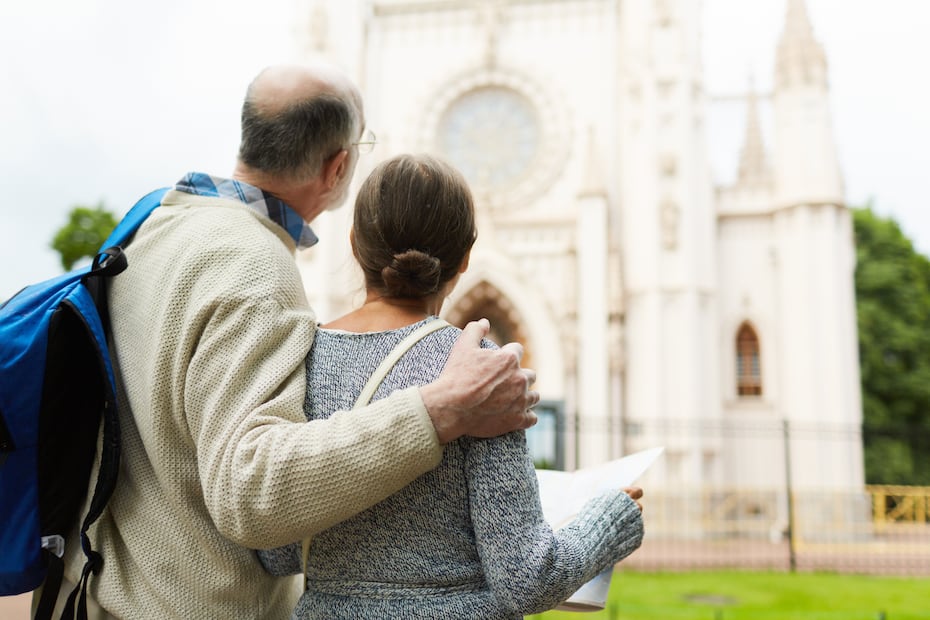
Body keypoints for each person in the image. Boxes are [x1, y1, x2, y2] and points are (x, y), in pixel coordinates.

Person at [41, 63, 539, 619]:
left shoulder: (153, 229)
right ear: (338, 167)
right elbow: (248, 488)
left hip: (91, 592)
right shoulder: (254, 268)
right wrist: (440, 409)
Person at [258, 154, 645, 619]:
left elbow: (275, 550)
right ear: (464, 258)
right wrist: (612, 520)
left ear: (355, 244)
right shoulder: (478, 373)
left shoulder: (302, 359)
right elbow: (527, 580)